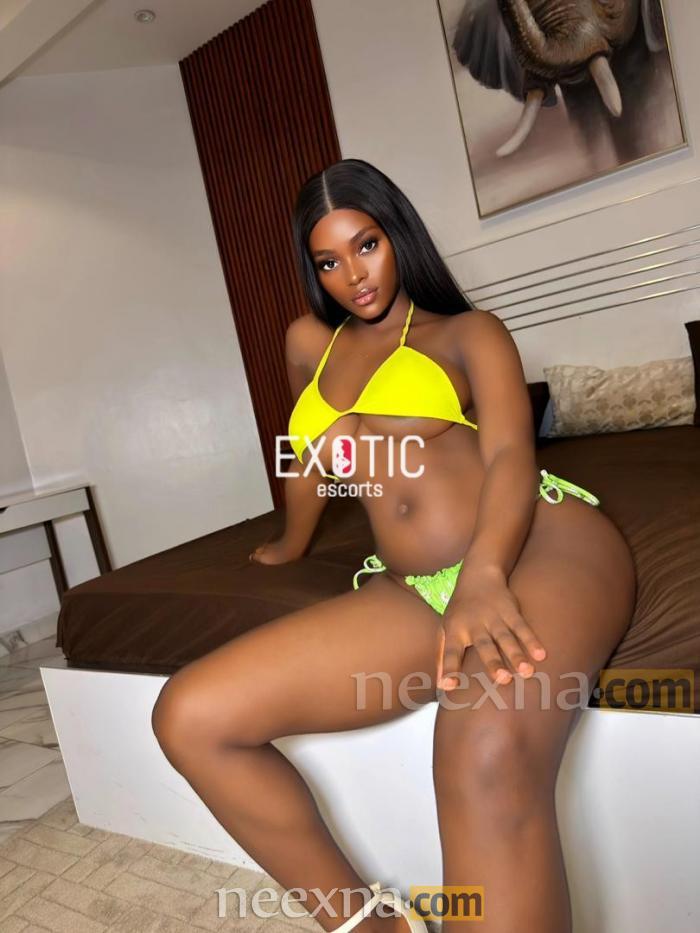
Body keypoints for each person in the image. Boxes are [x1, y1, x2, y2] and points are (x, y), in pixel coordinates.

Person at [151, 159, 636, 933]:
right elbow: (311, 458)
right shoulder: (309, 343)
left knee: (483, 745)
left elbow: (511, 454)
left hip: (535, 543)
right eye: (328, 261)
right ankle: (377, 927)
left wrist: (484, 574)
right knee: (190, 714)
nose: (353, 275)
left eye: (367, 244)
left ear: (398, 235)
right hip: (414, 583)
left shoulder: (469, 332)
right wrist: (289, 543)